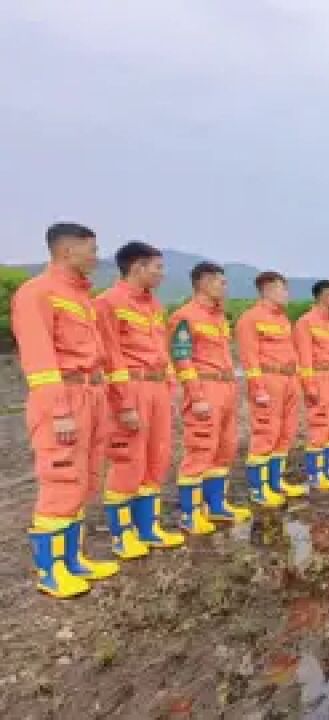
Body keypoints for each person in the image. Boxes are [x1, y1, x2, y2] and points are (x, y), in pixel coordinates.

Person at [12, 222, 120, 597]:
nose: (96, 256)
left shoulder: (81, 297)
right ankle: (51, 573)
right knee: (60, 481)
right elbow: (39, 358)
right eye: (91, 249)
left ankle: (73, 559)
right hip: (62, 397)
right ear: (66, 251)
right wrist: (58, 411)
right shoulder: (37, 293)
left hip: (91, 395)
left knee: (85, 480)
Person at [94, 241, 185, 560]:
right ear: (137, 267)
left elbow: (163, 351)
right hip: (130, 388)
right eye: (157, 267)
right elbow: (110, 357)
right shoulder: (108, 303)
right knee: (128, 461)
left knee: (156, 459)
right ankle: (123, 536)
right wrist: (124, 405)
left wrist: (170, 388)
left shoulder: (155, 307)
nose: (162, 274)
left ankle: (149, 527)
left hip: (158, 389)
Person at [170, 261, 253, 533]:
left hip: (226, 388)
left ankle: (215, 506)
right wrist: (196, 396)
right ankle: (190, 515)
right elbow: (182, 359)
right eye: (221, 281)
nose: (225, 286)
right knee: (200, 450)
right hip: (205, 389)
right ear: (204, 283)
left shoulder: (218, 317)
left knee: (225, 448)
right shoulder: (185, 316)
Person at [236, 272, 306, 505]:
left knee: (285, 434)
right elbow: (249, 357)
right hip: (269, 380)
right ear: (267, 289)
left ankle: (276, 482)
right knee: (266, 434)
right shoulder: (250, 318)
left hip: (288, 380)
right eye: (282, 289)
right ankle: (259, 489)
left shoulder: (283, 320)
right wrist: (258, 388)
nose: (286, 294)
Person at [294, 279, 329, 491]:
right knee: (319, 426)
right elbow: (305, 358)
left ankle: (327, 470)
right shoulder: (306, 322)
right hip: (319, 377)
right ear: (322, 296)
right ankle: (315, 475)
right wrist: (309, 385)